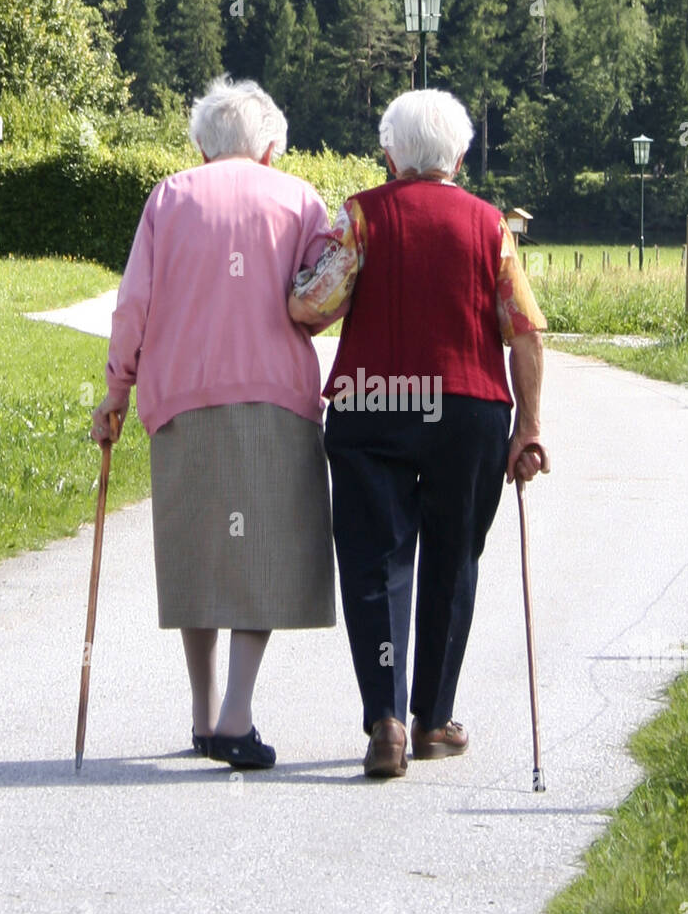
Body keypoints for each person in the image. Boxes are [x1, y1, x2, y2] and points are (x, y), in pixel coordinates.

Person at [288, 89, 549, 778]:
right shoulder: (491, 226)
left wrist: (291, 292)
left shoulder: (362, 216)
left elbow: (315, 306)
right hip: (468, 410)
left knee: (374, 562)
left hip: (373, 402)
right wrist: (529, 426)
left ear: (389, 154)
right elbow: (525, 331)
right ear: (460, 158)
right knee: (453, 556)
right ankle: (434, 718)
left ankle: (387, 722)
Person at [91, 75, 336, 770]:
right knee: (259, 553)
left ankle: (201, 714)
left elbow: (132, 305)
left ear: (200, 144)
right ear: (269, 148)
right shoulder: (297, 198)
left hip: (181, 397)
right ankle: (237, 713)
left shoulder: (169, 198)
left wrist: (116, 390)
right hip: (273, 397)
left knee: (196, 550)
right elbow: (323, 299)